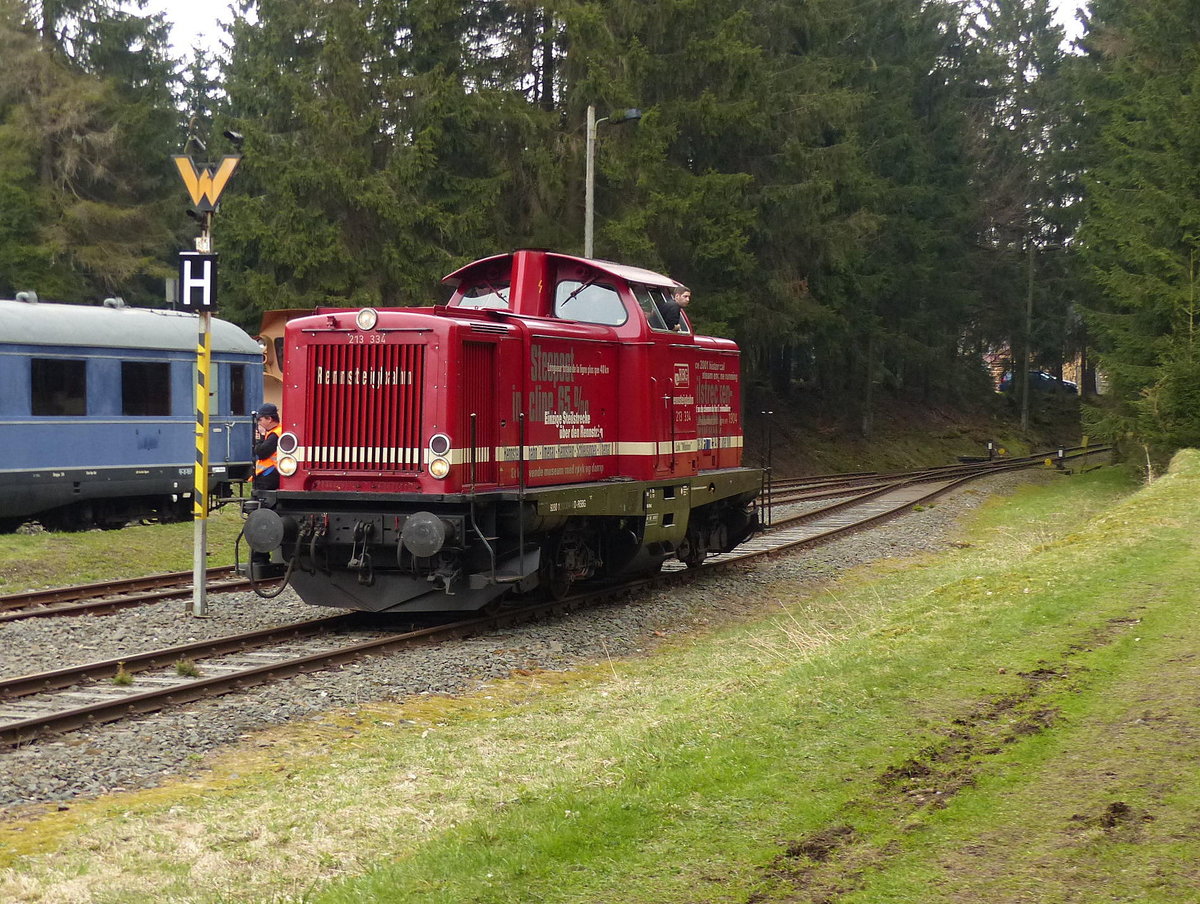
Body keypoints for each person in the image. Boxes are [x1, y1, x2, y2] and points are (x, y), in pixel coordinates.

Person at [252, 403, 282, 495]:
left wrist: (260, 437)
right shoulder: (276, 431)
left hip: (270, 475)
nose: (258, 423)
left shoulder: (275, 435)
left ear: (269, 419)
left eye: (260, 420)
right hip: (272, 473)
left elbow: (261, 452)